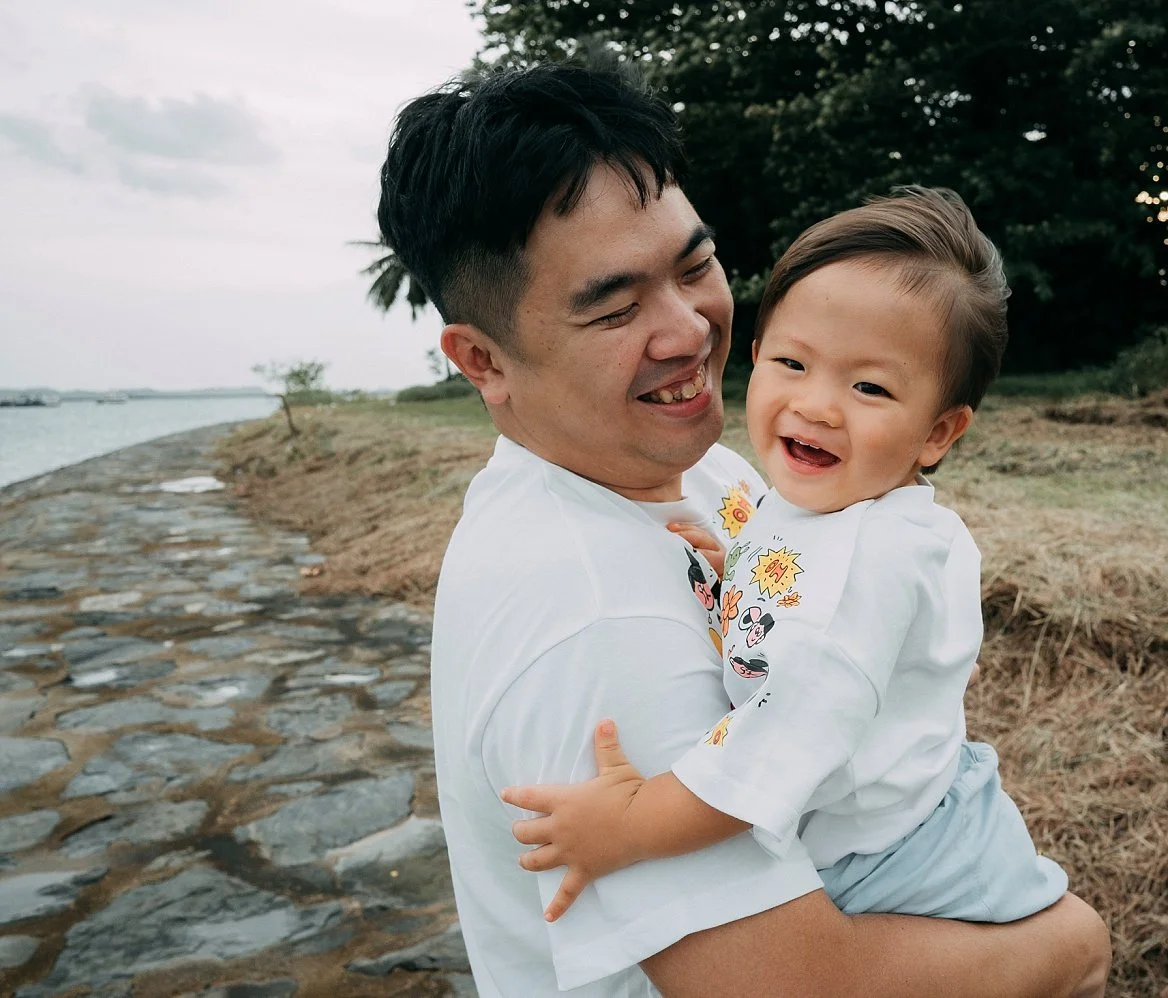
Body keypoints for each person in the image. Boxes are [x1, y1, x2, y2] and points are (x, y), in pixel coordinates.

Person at [379, 60, 1111, 997]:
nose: (689, 330)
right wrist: (1076, 947)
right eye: (615, 307)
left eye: (695, 267)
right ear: (483, 360)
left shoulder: (709, 470)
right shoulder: (591, 619)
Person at [504, 186, 1071, 930]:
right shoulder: (835, 505)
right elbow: (802, 587)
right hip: (910, 804)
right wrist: (740, 573)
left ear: (938, 432)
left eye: (869, 386)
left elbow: (775, 749)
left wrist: (629, 824)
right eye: (793, 363)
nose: (816, 405)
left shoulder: (868, 567)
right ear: (755, 357)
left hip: (897, 858)